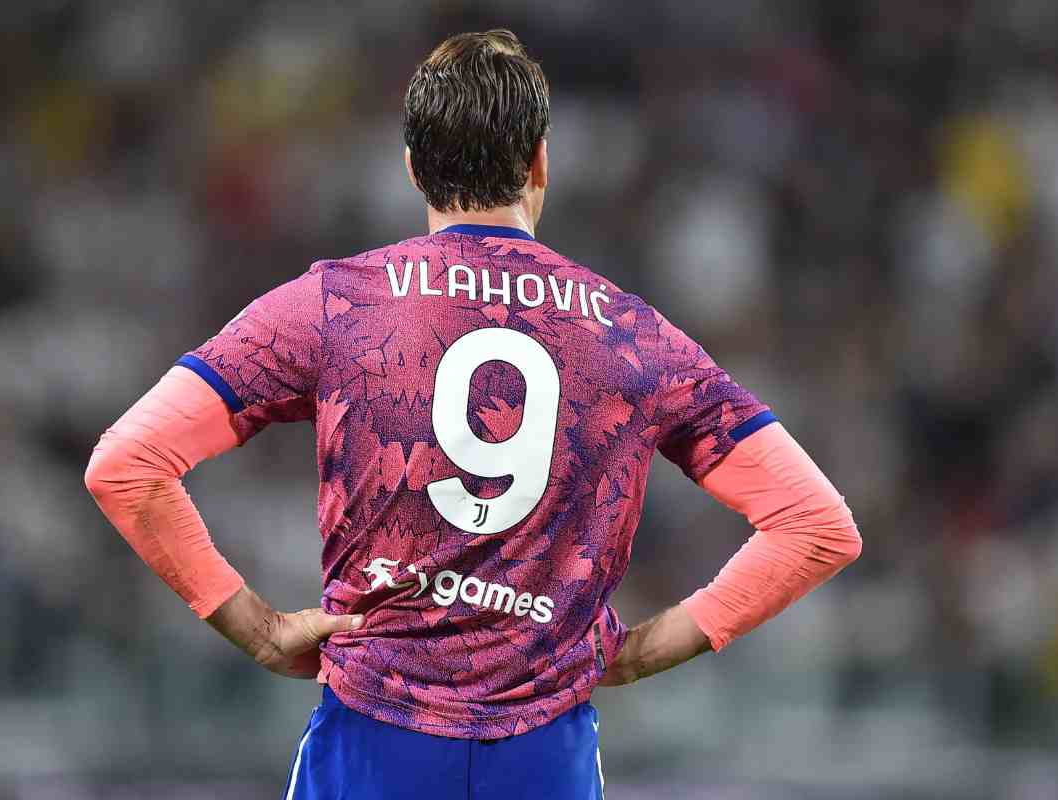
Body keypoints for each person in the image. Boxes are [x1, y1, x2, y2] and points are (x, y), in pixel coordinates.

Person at [84, 29, 862, 800]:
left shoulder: (337, 304)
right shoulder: (634, 337)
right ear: (540, 162)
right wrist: (645, 651)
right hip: (545, 757)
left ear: (413, 168)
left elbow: (126, 465)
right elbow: (817, 526)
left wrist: (260, 631)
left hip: (370, 745)